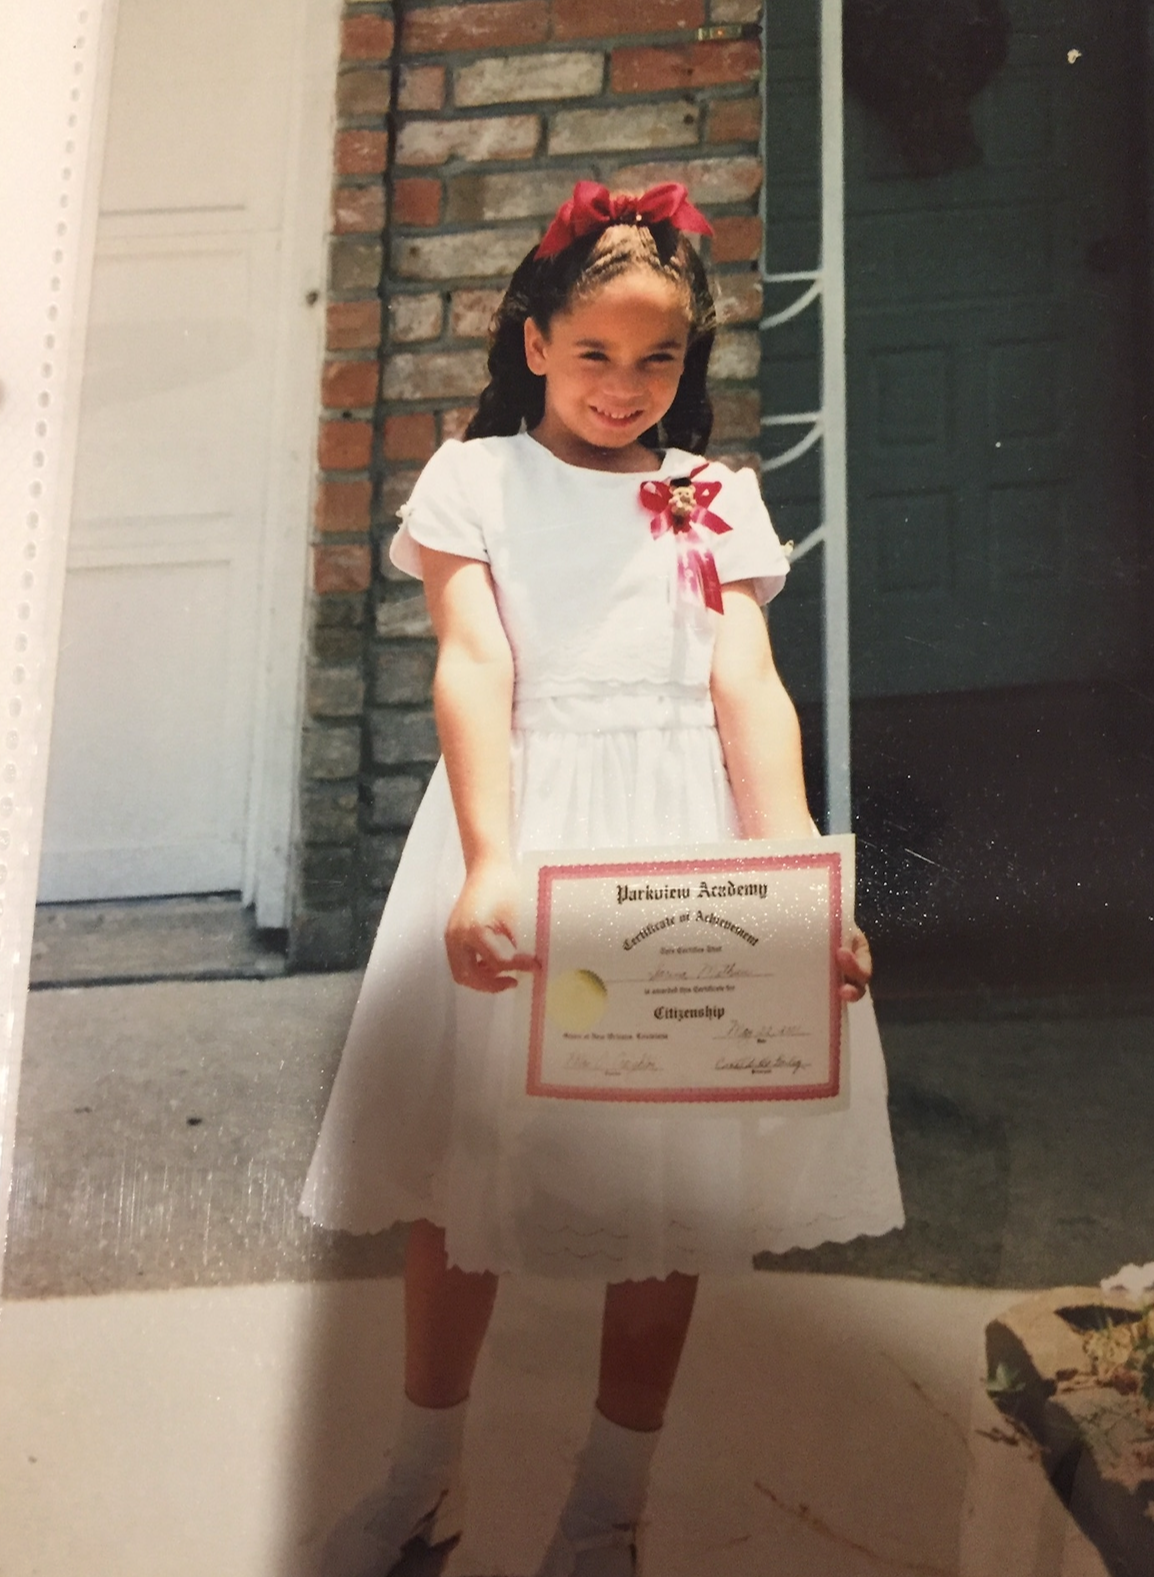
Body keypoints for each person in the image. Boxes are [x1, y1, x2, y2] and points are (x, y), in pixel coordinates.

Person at [300, 180, 904, 1577]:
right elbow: (477, 661)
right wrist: (493, 862)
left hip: (677, 852)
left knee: (667, 1186)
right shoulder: (478, 484)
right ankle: (421, 1480)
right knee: (469, 1177)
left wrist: (800, 881)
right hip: (526, 830)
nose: (627, 386)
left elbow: (747, 687)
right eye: (595, 355)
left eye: (659, 360)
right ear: (533, 345)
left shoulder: (712, 500)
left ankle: (604, 1509)